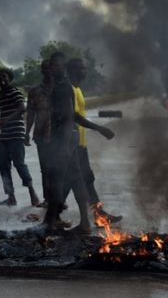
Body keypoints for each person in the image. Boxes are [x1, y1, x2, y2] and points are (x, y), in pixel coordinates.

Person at [66, 58, 121, 224]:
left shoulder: (77, 89)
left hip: (80, 143)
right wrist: (100, 128)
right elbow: (74, 116)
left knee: (85, 179)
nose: (85, 71)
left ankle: (98, 215)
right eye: (81, 69)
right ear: (72, 70)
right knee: (76, 181)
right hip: (71, 143)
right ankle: (52, 218)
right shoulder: (70, 90)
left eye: (85, 68)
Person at [43, 52, 91, 234]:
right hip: (66, 138)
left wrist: (63, 145)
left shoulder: (63, 88)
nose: (51, 69)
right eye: (50, 66)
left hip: (63, 140)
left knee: (56, 181)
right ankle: (82, 223)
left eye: (55, 66)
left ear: (63, 67)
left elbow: (71, 117)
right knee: (76, 180)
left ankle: (51, 222)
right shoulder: (60, 86)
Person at [0, 68, 40, 207]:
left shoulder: (16, 92)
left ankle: (33, 194)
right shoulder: (0, 95)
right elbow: (2, 114)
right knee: (3, 166)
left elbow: (22, 108)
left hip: (16, 133)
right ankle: (11, 197)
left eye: (4, 76)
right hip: (5, 135)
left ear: (10, 78)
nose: (2, 79)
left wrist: (6, 119)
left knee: (19, 164)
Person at [26, 60, 52, 207]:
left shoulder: (60, 88)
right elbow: (30, 113)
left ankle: (59, 199)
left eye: (50, 67)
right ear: (42, 71)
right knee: (45, 169)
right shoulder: (35, 91)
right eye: (45, 68)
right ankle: (48, 199)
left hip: (58, 134)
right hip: (41, 134)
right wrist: (27, 133)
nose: (48, 71)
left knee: (59, 168)